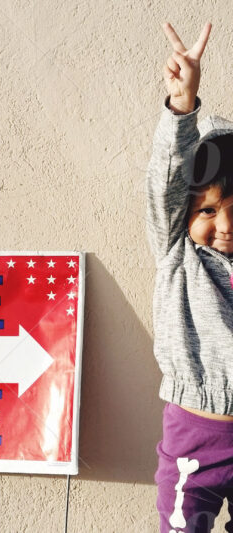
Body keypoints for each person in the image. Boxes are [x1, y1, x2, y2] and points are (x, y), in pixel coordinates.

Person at [146, 21, 233, 532]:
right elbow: (167, 184)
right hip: (193, 437)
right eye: (207, 211)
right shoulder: (178, 253)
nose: (224, 227)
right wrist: (183, 106)